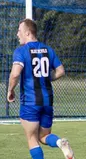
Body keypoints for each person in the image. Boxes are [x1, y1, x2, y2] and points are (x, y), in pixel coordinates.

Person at [7, 18, 75, 159]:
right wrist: (45, 78)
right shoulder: (48, 50)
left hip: (30, 102)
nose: (17, 34)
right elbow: (61, 70)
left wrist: (10, 90)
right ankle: (59, 142)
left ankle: (58, 143)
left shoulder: (21, 51)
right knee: (44, 136)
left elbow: (15, 74)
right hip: (47, 101)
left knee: (32, 139)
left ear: (27, 33)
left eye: (19, 31)